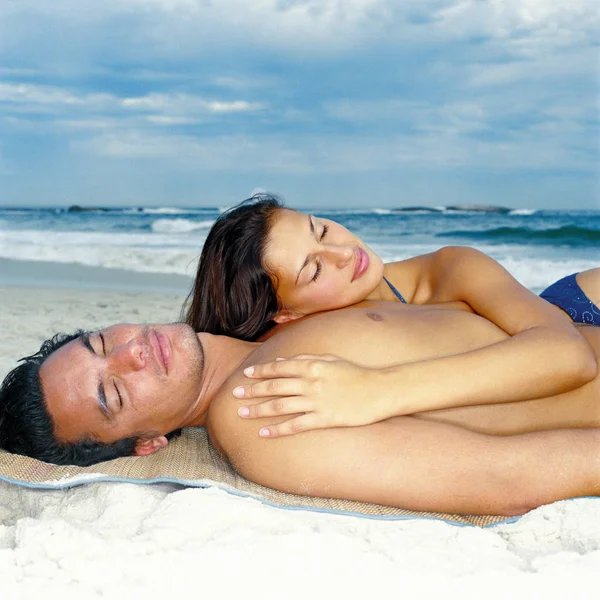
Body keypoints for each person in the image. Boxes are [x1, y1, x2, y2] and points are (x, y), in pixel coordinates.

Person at [1, 301, 600, 516]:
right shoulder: (258, 414)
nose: (133, 352)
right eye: (116, 393)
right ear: (149, 441)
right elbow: (507, 477)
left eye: (103, 342)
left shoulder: (276, 311)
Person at [184, 195, 599, 435]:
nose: (345, 252)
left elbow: (570, 355)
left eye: (322, 230)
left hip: (576, 306)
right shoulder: (291, 347)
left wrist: (377, 389)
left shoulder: (452, 268)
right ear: (286, 315)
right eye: (314, 269)